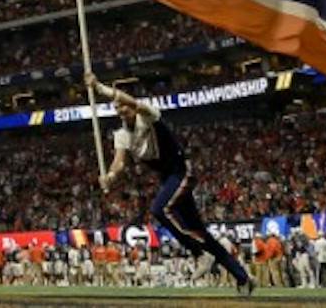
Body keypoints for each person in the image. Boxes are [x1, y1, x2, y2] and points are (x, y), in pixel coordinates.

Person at [86, 73, 254, 297]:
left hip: (181, 170)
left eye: (124, 105)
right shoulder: (122, 135)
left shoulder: (148, 115)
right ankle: (242, 277)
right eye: (117, 108)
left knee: (159, 209)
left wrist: (100, 88)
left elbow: (133, 102)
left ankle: (198, 253)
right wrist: (110, 176)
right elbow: (119, 162)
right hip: (167, 178)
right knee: (201, 232)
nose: (122, 110)